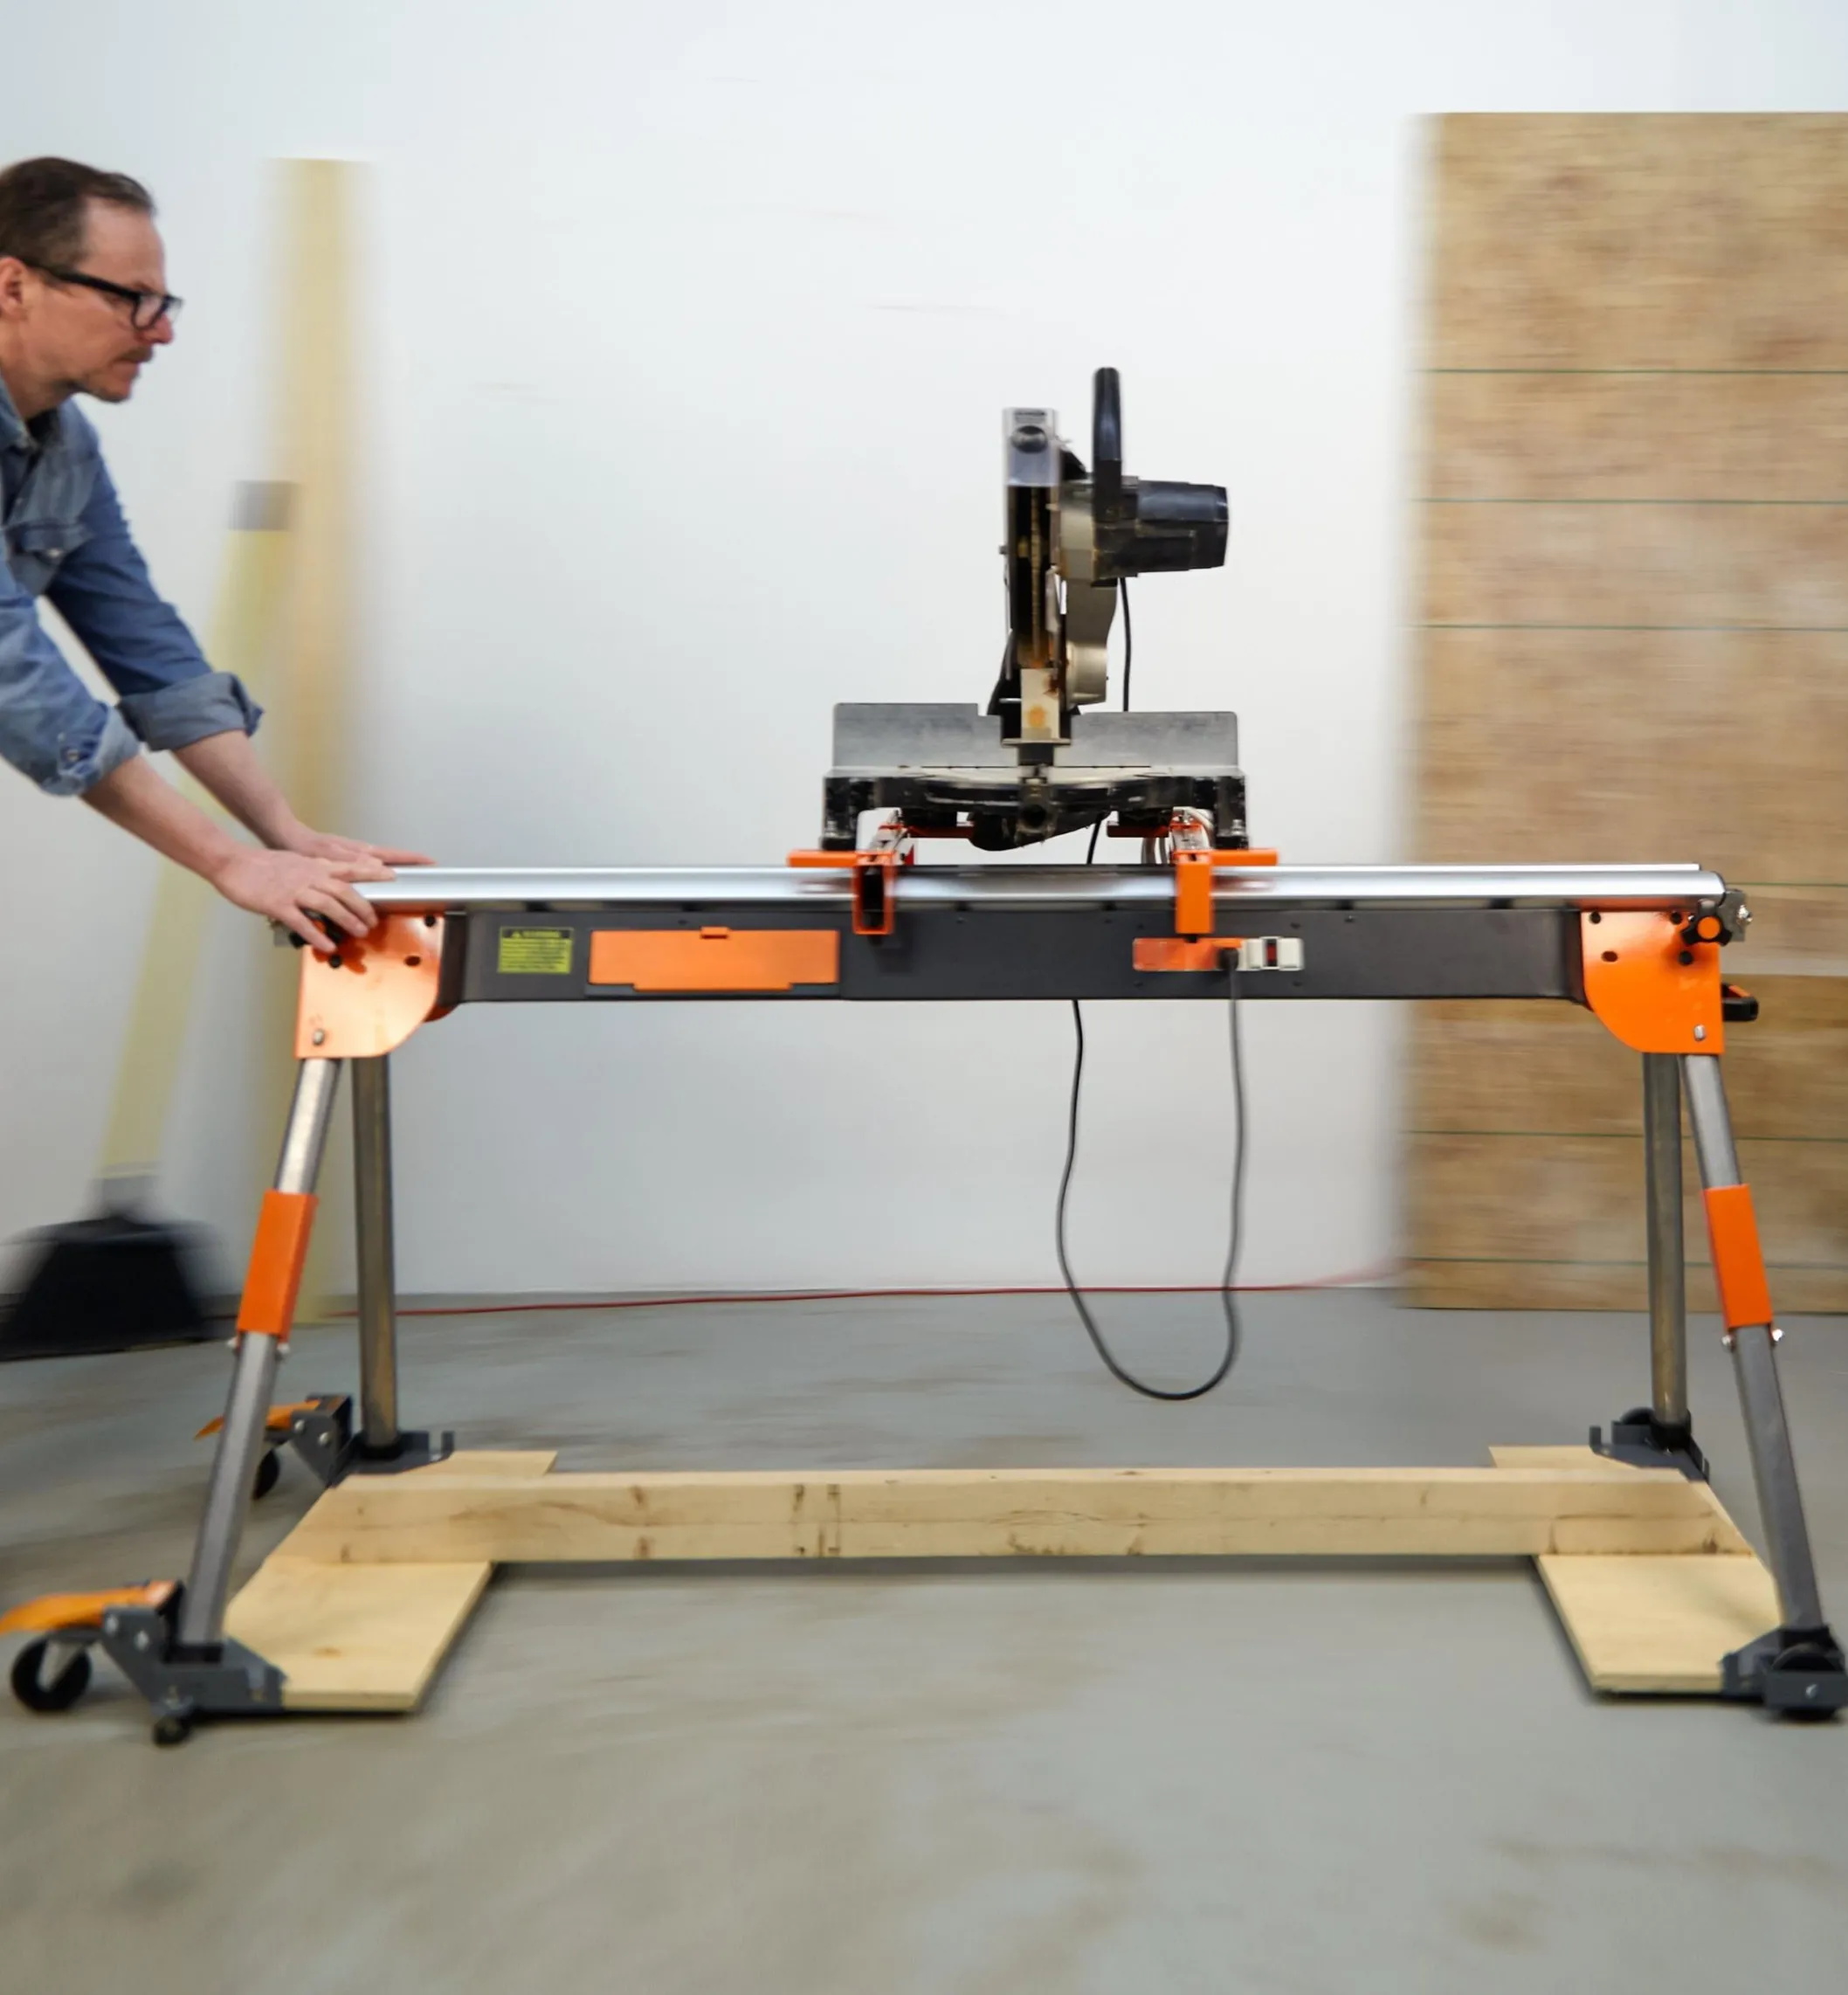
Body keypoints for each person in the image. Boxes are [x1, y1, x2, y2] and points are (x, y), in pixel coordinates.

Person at [0, 156, 423, 951]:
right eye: (130, 298)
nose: (160, 330)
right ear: (14, 286)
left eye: (163, 303)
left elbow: (146, 642)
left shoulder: (64, 446)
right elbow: (18, 680)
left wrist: (282, 831)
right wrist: (228, 862)